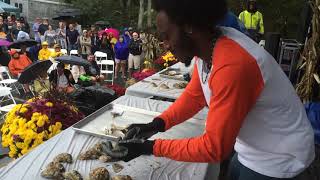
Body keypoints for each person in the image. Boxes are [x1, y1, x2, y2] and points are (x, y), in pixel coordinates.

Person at [115, 1, 315, 180]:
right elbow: (195, 96)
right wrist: (156, 124)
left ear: (190, 27)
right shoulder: (208, 48)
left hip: (280, 160)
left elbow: (214, 148)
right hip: (251, 150)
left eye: (167, 37)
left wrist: (149, 147)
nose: (166, 46)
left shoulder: (233, 65)